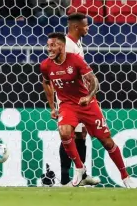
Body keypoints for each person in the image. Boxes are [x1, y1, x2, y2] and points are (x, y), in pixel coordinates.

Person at [40, 32, 134, 188]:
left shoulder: (75, 60)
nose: (49, 49)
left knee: (107, 142)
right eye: (48, 45)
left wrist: (89, 97)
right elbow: (45, 82)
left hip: (87, 105)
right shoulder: (45, 65)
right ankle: (79, 167)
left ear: (62, 46)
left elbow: (94, 81)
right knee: (64, 132)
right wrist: (53, 107)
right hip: (67, 105)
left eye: (53, 45)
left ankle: (125, 176)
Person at [57, 12, 99, 186]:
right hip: (69, 98)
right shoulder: (66, 46)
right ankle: (66, 179)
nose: (88, 28)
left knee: (81, 134)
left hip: (80, 96)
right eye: (86, 25)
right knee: (68, 135)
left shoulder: (78, 43)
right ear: (76, 27)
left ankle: (81, 175)